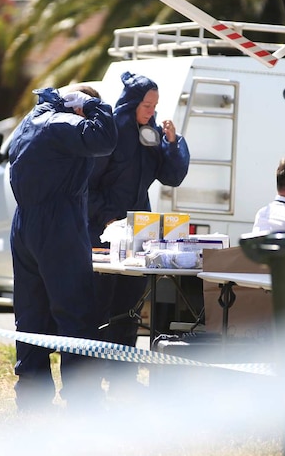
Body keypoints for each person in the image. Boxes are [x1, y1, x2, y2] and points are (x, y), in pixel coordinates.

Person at [7, 84, 117, 411]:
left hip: (24, 224)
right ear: (78, 107)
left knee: (31, 314)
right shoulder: (62, 123)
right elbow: (105, 139)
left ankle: (31, 395)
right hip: (58, 225)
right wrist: (96, 107)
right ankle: (83, 399)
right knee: (76, 311)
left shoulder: (31, 120)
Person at [87, 72, 190, 390]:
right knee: (100, 305)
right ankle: (91, 375)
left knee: (130, 305)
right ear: (132, 102)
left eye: (155, 105)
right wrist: (106, 219)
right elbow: (88, 185)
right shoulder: (111, 130)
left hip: (137, 230)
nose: (151, 110)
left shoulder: (151, 132)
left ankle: (123, 376)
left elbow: (171, 176)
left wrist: (173, 144)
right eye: (147, 104)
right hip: (103, 231)